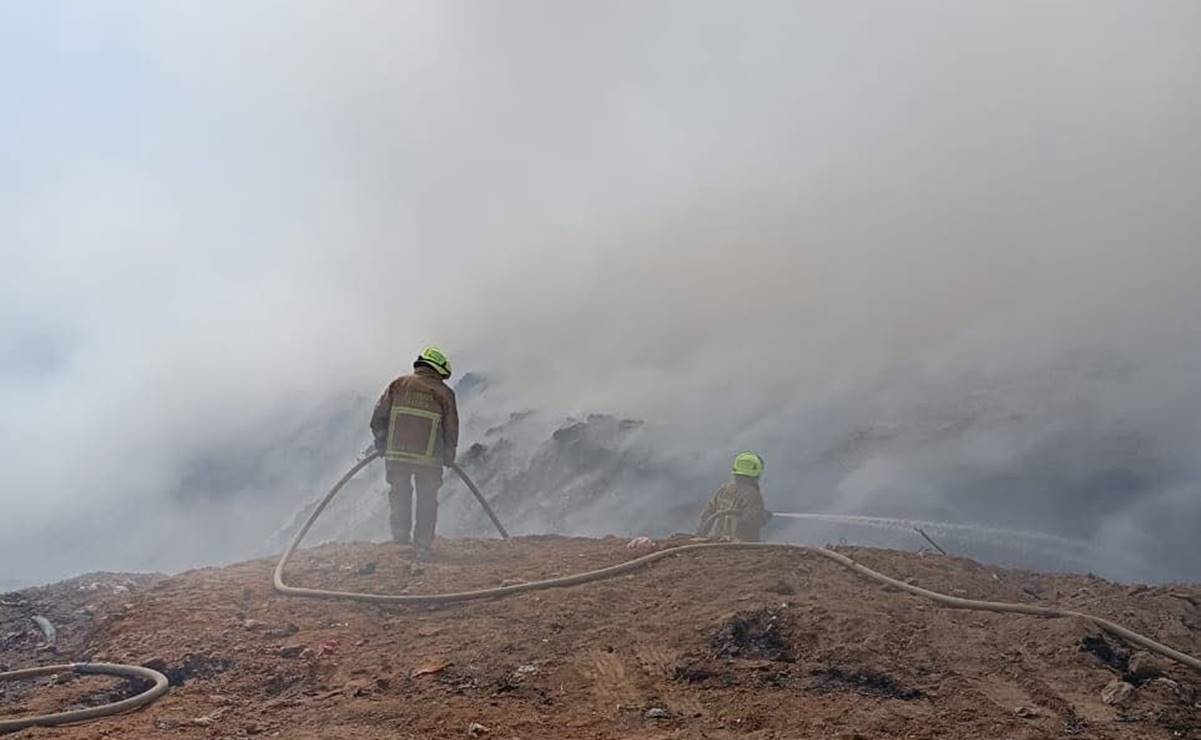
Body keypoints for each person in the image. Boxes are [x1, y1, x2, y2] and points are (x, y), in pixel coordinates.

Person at [370, 346, 459, 550]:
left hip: (397, 454)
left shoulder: (398, 384)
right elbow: (451, 428)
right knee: (427, 497)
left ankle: (400, 538)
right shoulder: (444, 393)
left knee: (400, 492)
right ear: (438, 370)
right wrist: (449, 453)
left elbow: (378, 418)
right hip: (429, 459)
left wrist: (381, 442)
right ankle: (423, 542)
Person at [696, 452, 772, 542]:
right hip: (740, 547)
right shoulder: (752, 494)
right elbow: (750, 522)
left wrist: (702, 534)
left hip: (718, 542)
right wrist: (764, 517)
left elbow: (706, 515)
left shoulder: (724, 489)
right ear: (757, 473)